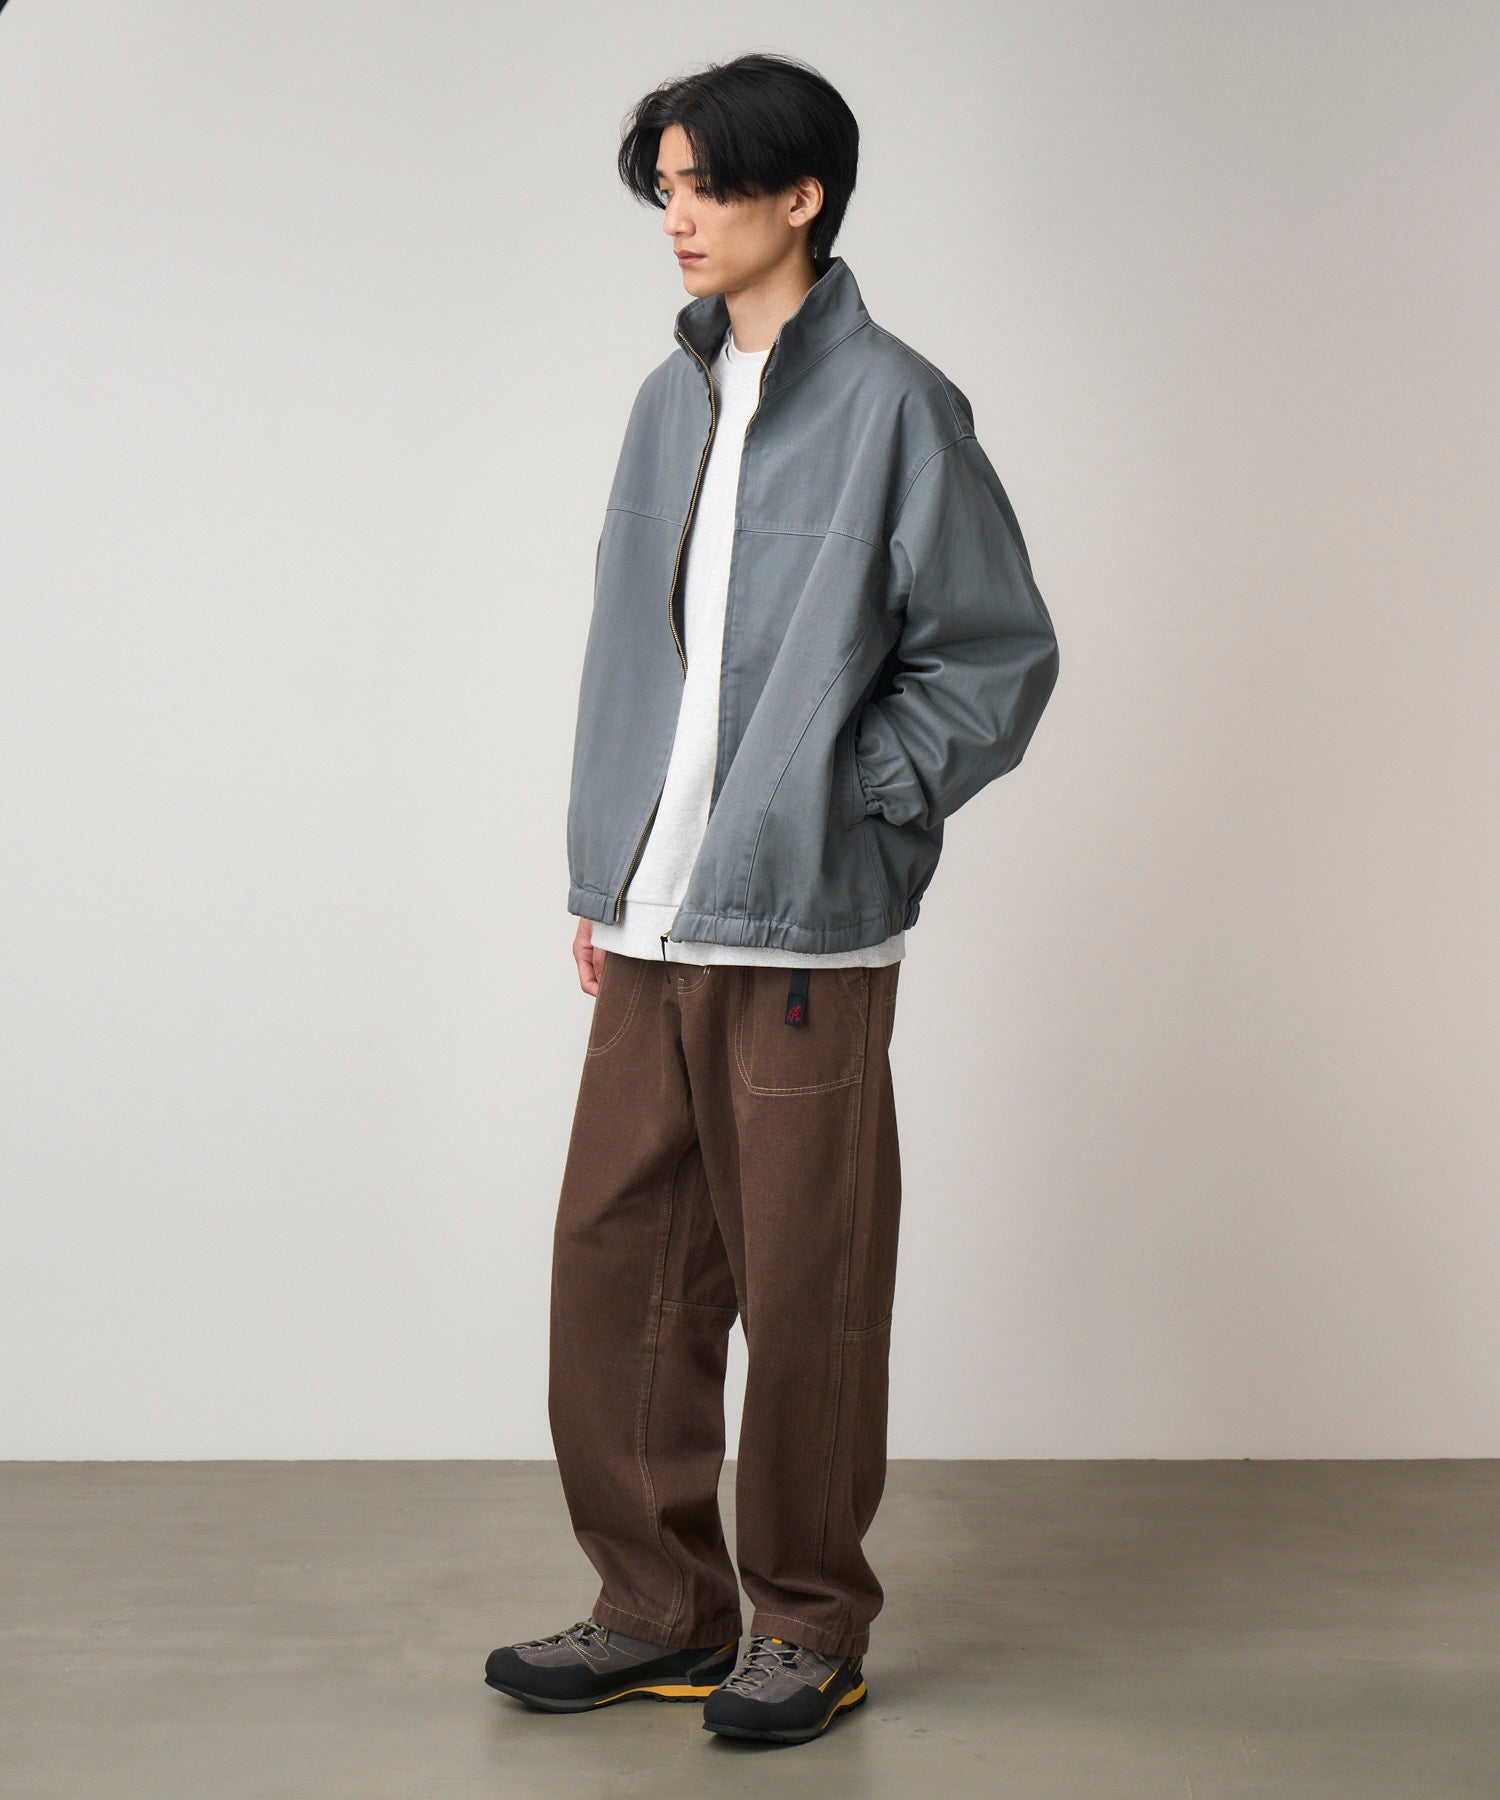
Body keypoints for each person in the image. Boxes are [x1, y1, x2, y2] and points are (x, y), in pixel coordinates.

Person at [484, 51, 1059, 1747]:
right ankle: (656, 1608)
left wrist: (853, 805)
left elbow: (994, 657)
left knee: (806, 1279)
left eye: (707, 185)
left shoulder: (898, 406)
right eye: (663, 187)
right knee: (618, 1266)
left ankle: (807, 1623)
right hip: (652, 919)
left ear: (801, 195)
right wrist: (610, 870)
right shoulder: (665, 403)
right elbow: (632, 660)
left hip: (804, 923)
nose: (678, 217)